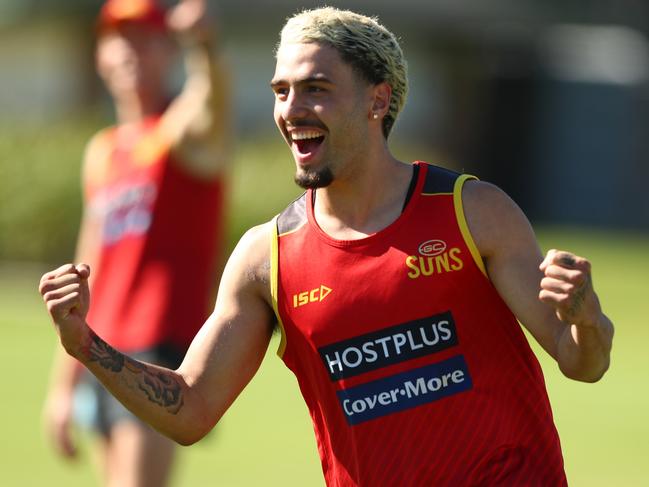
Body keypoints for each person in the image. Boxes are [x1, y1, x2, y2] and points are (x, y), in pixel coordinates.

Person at [40, 7, 614, 486]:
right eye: (282, 91)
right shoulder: (266, 259)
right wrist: (86, 344)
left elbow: (580, 361)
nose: (291, 111)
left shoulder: (472, 211)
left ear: (377, 101)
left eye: (316, 89)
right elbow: (189, 408)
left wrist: (586, 319)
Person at [42, 0, 230, 485]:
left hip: (159, 348)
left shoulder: (180, 133)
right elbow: (90, 262)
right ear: (100, 55)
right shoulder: (104, 150)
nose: (128, 53)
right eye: (117, 40)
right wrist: (63, 385)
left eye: (144, 40)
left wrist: (205, 48)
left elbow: (211, 101)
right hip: (98, 345)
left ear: (168, 51)